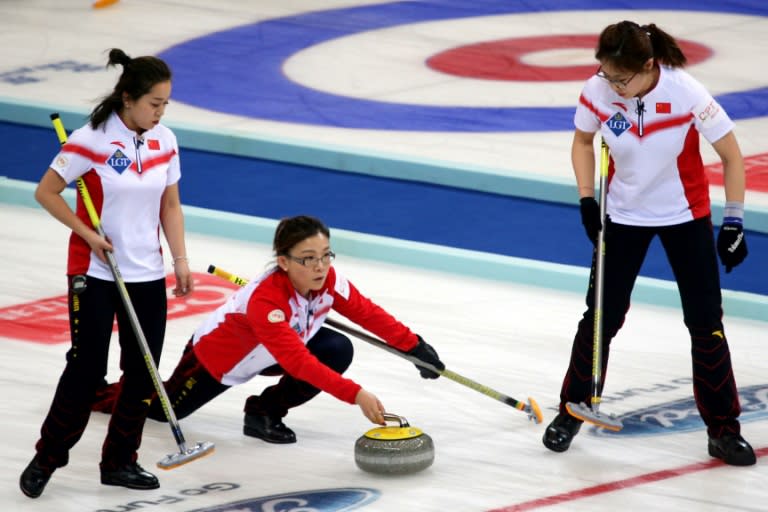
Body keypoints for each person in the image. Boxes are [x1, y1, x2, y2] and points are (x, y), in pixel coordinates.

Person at [542, 21, 754, 466]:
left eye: (622, 79)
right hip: (622, 216)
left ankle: (722, 429)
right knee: (600, 316)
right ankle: (572, 410)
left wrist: (733, 221)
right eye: (607, 77)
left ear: (649, 65)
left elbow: (732, 155)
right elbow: (583, 142)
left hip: (685, 216)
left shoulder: (686, 91)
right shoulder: (597, 90)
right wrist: (586, 199)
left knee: (705, 323)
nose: (613, 86)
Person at [91, 215, 445, 444]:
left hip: (280, 347)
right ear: (284, 262)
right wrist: (357, 395)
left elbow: (367, 313)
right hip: (218, 360)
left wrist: (414, 347)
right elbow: (298, 363)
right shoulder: (266, 302)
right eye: (308, 258)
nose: (320, 266)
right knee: (164, 410)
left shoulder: (328, 280)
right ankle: (94, 394)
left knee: (337, 348)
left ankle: (263, 412)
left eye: (325, 255)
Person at [20, 48, 193, 499]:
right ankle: (48, 457)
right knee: (86, 368)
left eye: (165, 105)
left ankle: (119, 461)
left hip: (146, 273)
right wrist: (87, 233)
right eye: (154, 103)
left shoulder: (166, 140)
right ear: (128, 98)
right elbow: (47, 192)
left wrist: (179, 259)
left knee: (143, 372)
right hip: (95, 271)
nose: (160, 112)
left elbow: (170, 205)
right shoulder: (90, 139)